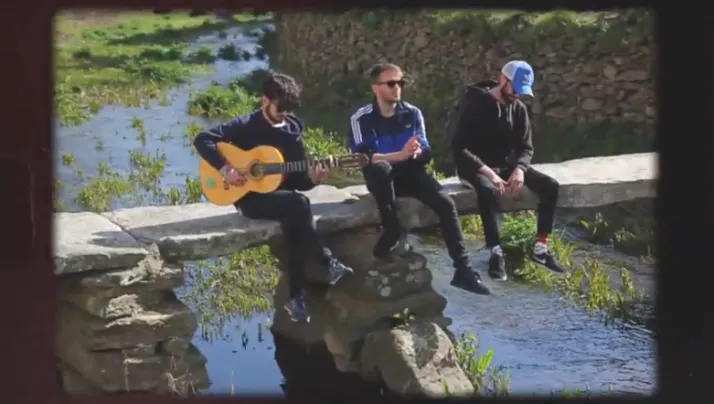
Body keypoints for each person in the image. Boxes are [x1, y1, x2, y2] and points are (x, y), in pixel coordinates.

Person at [193, 72, 353, 324]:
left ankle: (296, 298)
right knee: (299, 206)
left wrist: (314, 178)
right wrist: (226, 169)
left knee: (296, 219)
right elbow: (202, 139)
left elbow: (298, 181)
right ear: (265, 100)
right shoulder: (245, 125)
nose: (285, 115)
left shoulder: (291, 131)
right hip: (249, 197)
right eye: (280, 109)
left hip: (280, 197)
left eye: (290, 110)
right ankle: (326, 261)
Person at [348, 63, 491, 296]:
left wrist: (416, 153)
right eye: (391, 83)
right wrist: (399, 155)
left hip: (410, 172)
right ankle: (392, 227)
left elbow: (426, 149)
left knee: (446, 204)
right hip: (381, 177)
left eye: (401, 83)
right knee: (381, 169)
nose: (397, 88)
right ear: (375, 88)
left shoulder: (412, 113)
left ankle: (463, 270)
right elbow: (364, 158)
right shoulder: (361, 118)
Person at [450, 60, 565, 282]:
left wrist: (520, 169)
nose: (517, 95)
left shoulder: (518, 108)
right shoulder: (474, 104)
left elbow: (526, 147)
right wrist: (489, 173)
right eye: (515, 89)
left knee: (550, 186)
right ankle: (495, 252)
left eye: (521, 91)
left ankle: (541, 249)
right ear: (503, 79)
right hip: (474, 166)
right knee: (487, 190)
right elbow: (459, 148)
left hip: (505, 165)